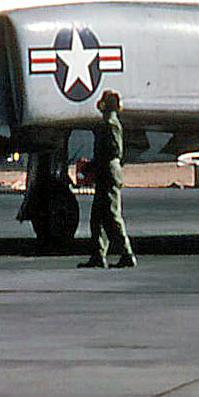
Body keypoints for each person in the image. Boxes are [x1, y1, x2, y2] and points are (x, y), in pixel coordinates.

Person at [79, 90, 135, 268]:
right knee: (98, 217)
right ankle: (98, 254)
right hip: (107, 172)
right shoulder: (108, 124)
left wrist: (92, 166)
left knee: (111, 216)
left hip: (107, 173)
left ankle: (126, 253)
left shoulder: (109, 125)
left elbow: (111, 152)